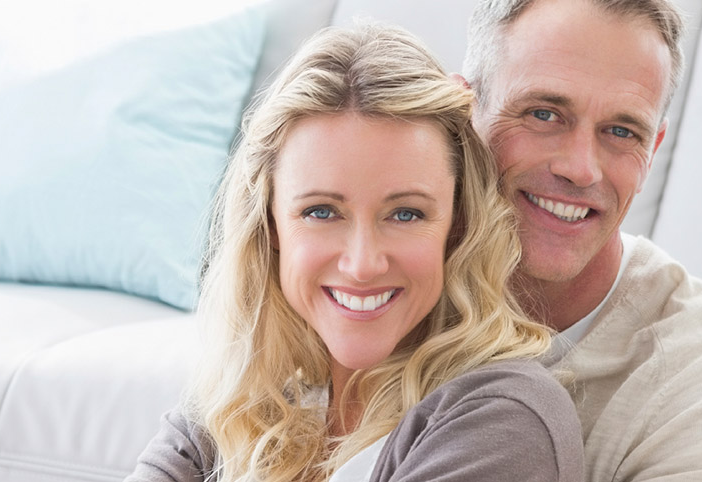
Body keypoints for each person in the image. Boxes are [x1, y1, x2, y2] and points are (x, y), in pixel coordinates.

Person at [128, 23, 583, 482]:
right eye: (322, 212)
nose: (363, 264)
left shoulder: (502, 421)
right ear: (270, 225)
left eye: (405, 214)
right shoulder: (240, 400)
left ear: (457, 226)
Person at [457, 0, 702, 480]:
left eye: (621, 131)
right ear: (463, 111)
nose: (581, 168)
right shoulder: (367, 275)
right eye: (544, 114)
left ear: (652, 151)